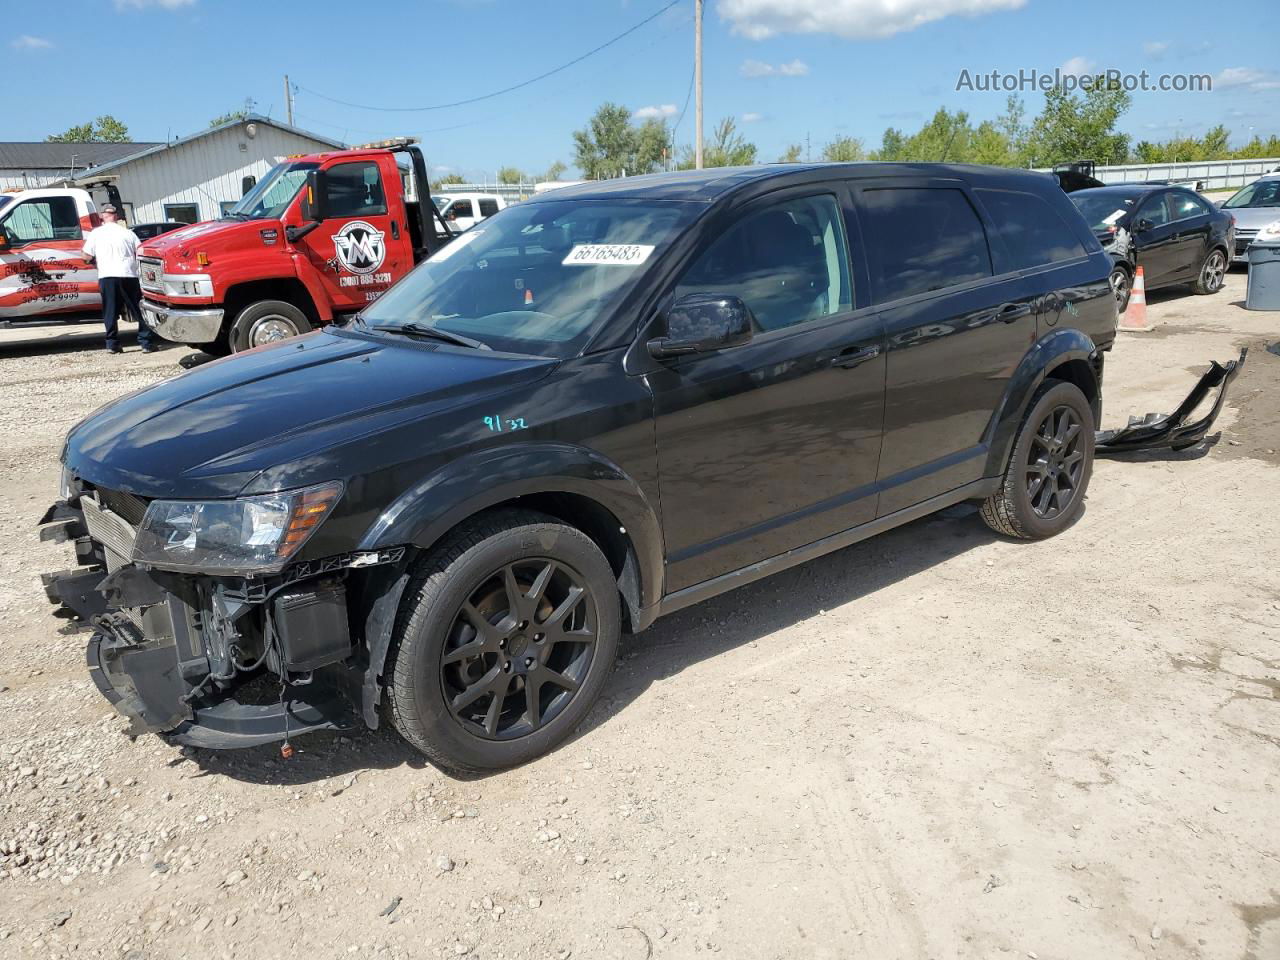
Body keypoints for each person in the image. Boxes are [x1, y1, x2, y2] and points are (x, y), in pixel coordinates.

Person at [82, 204, 157, 354]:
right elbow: (140, 252)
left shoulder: (96, 233)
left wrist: (93, 262)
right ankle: (146, 343)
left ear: (102, 216)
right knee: (139, 310)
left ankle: (112, 344)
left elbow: (86, 256)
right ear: (116, 216)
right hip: (129, 275)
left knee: (110, 312)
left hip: (107, 276)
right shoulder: (128, 233)